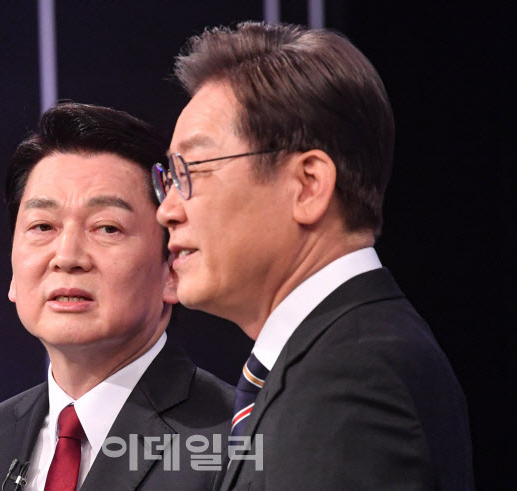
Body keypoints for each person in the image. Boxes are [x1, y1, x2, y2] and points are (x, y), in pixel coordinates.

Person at [154, 22, 474, 490]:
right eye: (169, 176)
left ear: (308, 186)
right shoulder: (331, 358)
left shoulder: (353, 380)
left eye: (194, 170)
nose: (166, 210)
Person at [0, 102, 234, 491]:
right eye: (43, 226)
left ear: (171, 269)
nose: (67, 257)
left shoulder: (236, 439)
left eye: (107, 228)